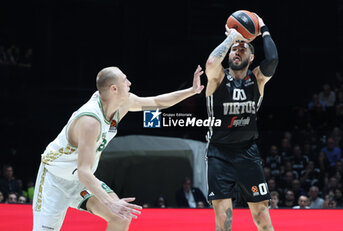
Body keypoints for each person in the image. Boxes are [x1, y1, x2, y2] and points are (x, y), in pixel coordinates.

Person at [32, 65, 204, 231]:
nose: (129, 83)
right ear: (114, 88)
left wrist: (191, 91)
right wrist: (110, 202)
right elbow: (83, 171)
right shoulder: (90, 121)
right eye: (125, 80)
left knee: (121, 217)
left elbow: (156, 101)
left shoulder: (123, 103)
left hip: (80, 181)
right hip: (55, 179)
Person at [205, 13, 278, 231]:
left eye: (243, 48)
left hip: (248, 153)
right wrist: (231, 39)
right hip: (219, 153)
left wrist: (263, 27)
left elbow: (273, 59)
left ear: (251, 57)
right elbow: (210, 62)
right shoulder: (218, 78)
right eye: (235, 49)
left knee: (263, 220)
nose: (237, 52)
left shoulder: (257, 79)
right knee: (224, 222)